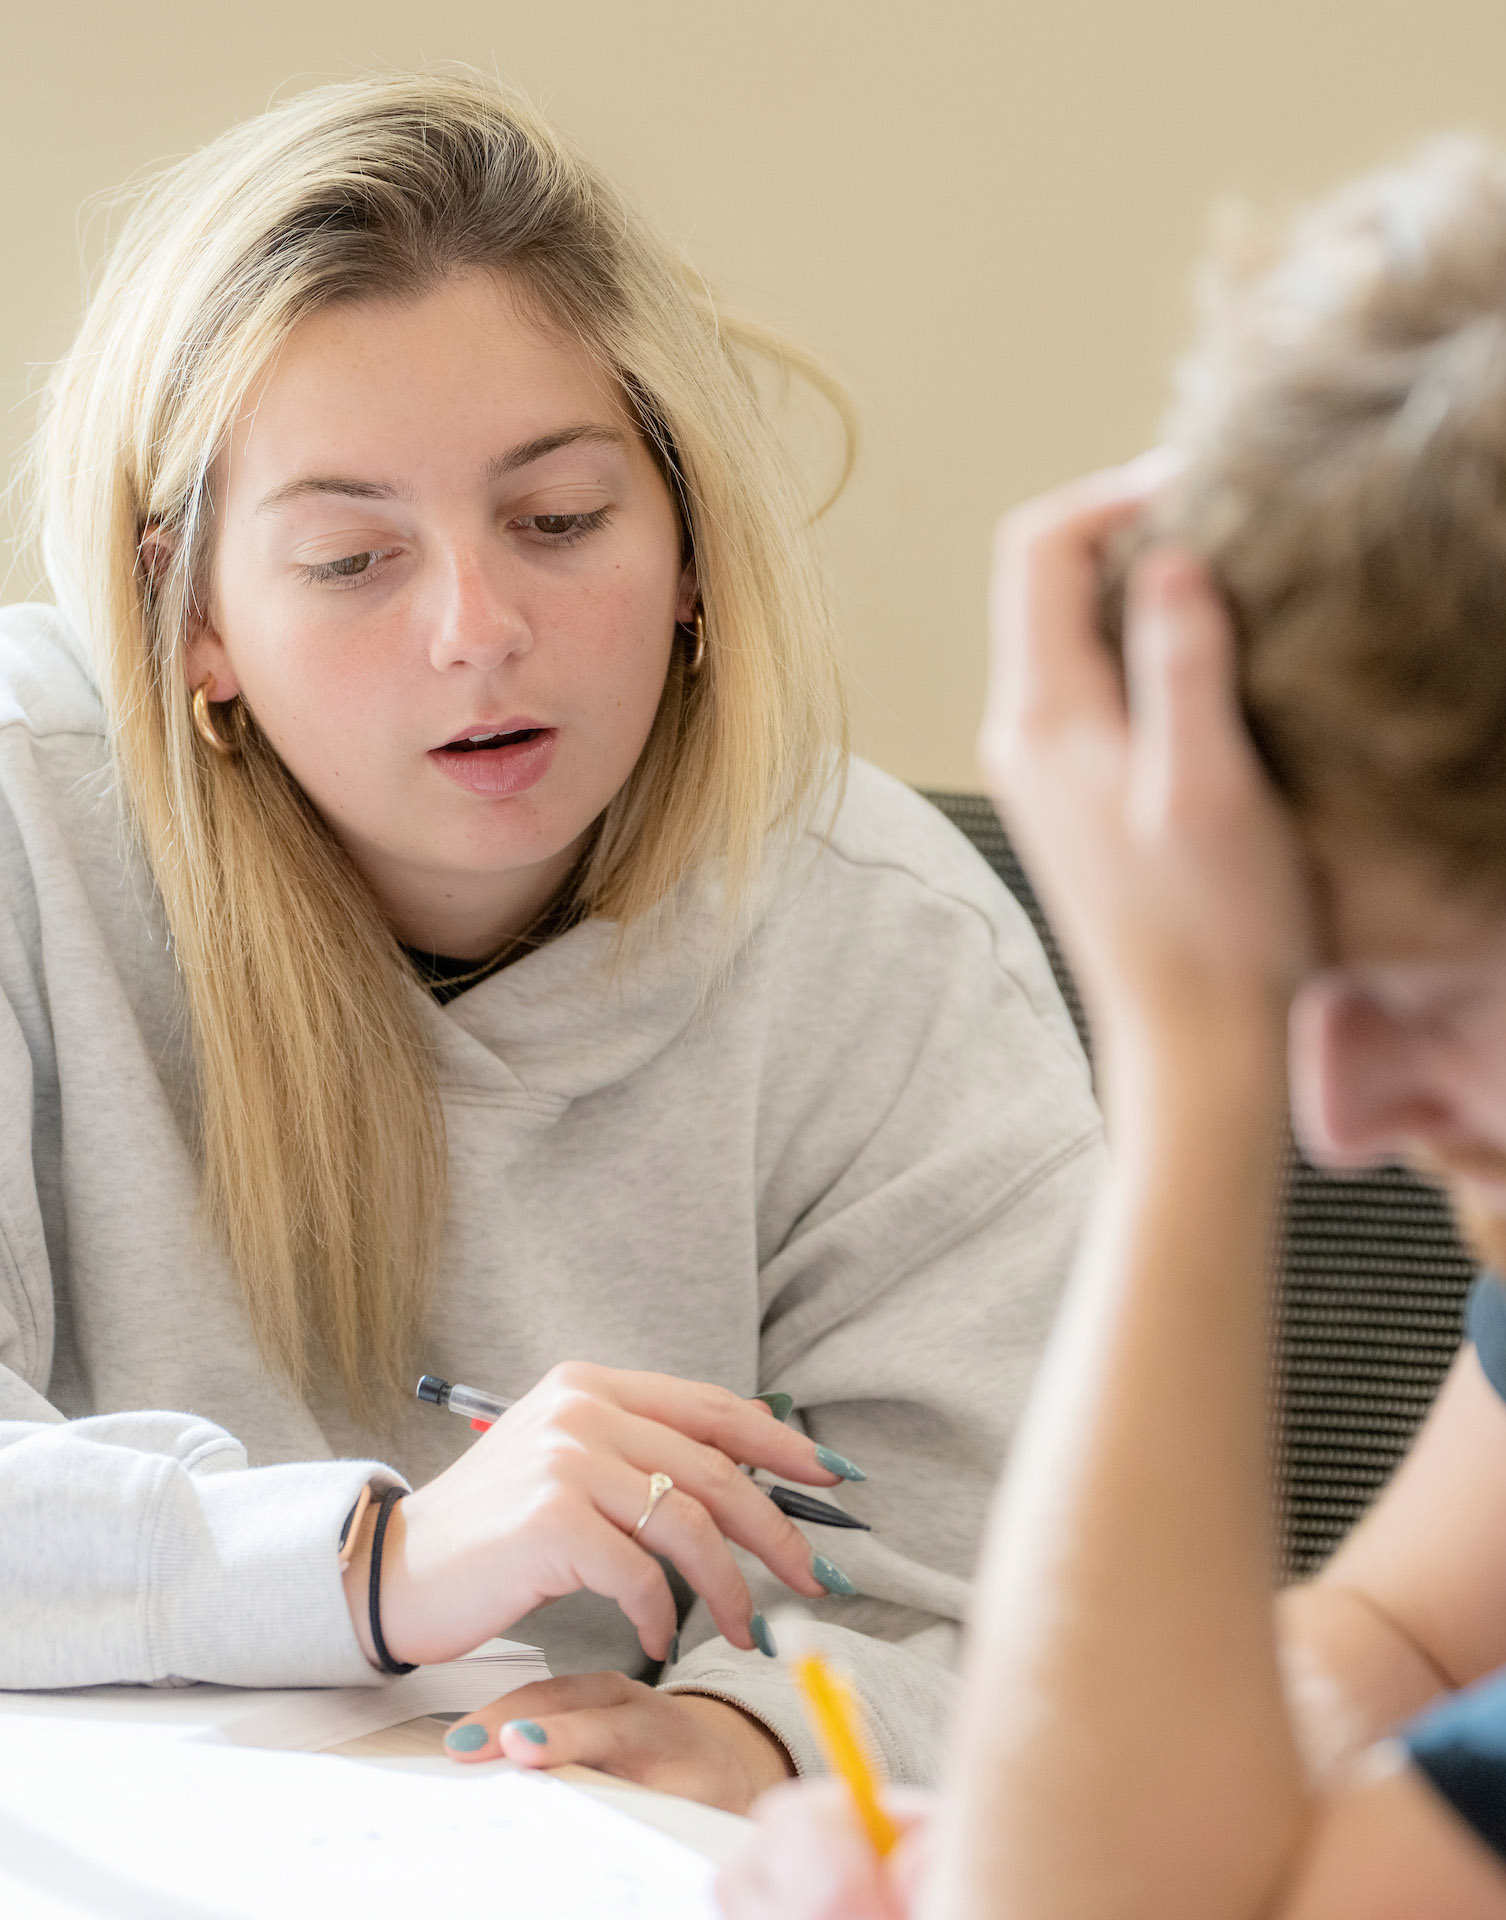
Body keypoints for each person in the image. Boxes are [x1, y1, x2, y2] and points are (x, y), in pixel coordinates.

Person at [718, 139, 1506, 1915]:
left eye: (1428, 1000)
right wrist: (1045, 1816)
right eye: (1295, 997)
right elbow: (1409, 1638)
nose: (1344, 1120)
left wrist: (1189, 1075)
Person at [0, 72, 1102, 1813]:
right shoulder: (21, 811)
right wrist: (380, 1563)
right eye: (351, 558)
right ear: (192, 617)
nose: (478, 630)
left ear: (690, 546)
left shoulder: (892, 943)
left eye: (560, 522)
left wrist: (755, 1736)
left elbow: (1037, 1602)